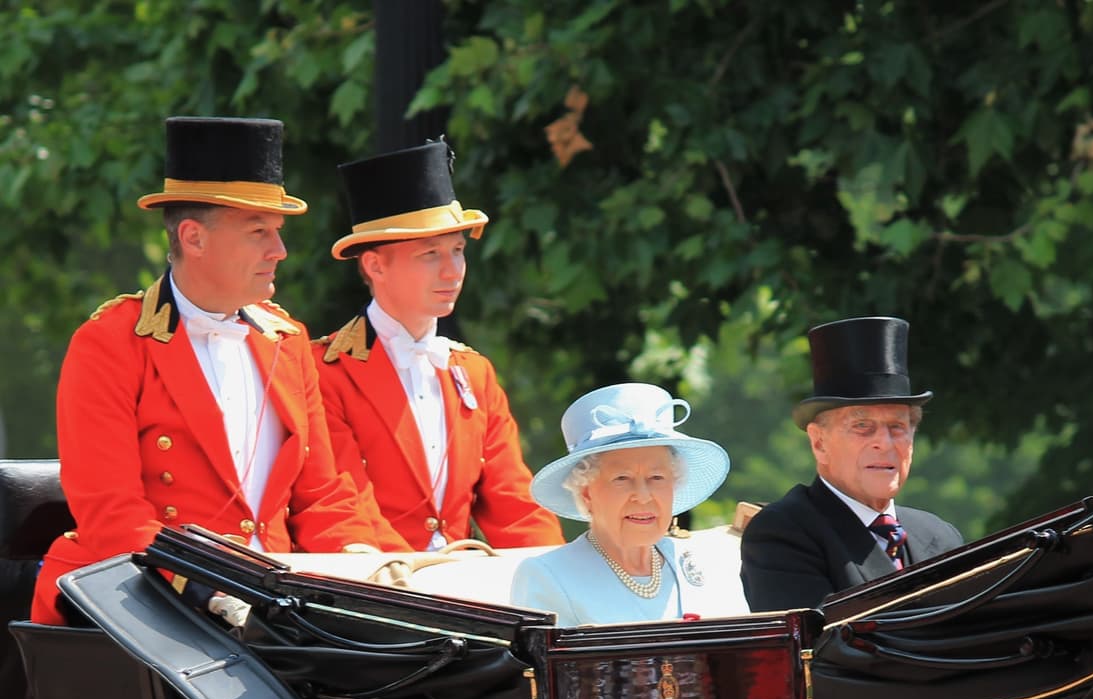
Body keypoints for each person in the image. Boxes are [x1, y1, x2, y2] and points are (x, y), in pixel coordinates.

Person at [32, 116, 383, 625]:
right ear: (193, 237)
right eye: (258, 231)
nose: (279, 251)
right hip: (152, 604)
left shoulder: (288, 340)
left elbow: (322, 495)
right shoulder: (110, 342)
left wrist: (360, 569)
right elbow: (113, 516)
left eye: (277, 232)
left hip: (278, 610)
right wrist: (213, 591)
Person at [314, 139, 564, 552]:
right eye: (430, 254)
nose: (452, 271)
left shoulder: (474, 372)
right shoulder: (325, 371)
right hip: (375, 590)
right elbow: (344, 505)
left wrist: (556, 579)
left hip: (462, 593)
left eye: (459, 250)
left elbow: (515, 505)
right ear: (375, 265)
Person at [740, 316, 964, 612]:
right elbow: (825, 651)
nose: (884, 442)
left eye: (897, 427)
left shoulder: (940, 535)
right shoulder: (783, 533)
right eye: (863, 426)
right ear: (819, 442)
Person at [510, 383, 743, 624]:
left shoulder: (711, 565)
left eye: (656, 478)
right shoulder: (548, 576)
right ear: (586, 492)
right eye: (622, 478)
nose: (643, 496)